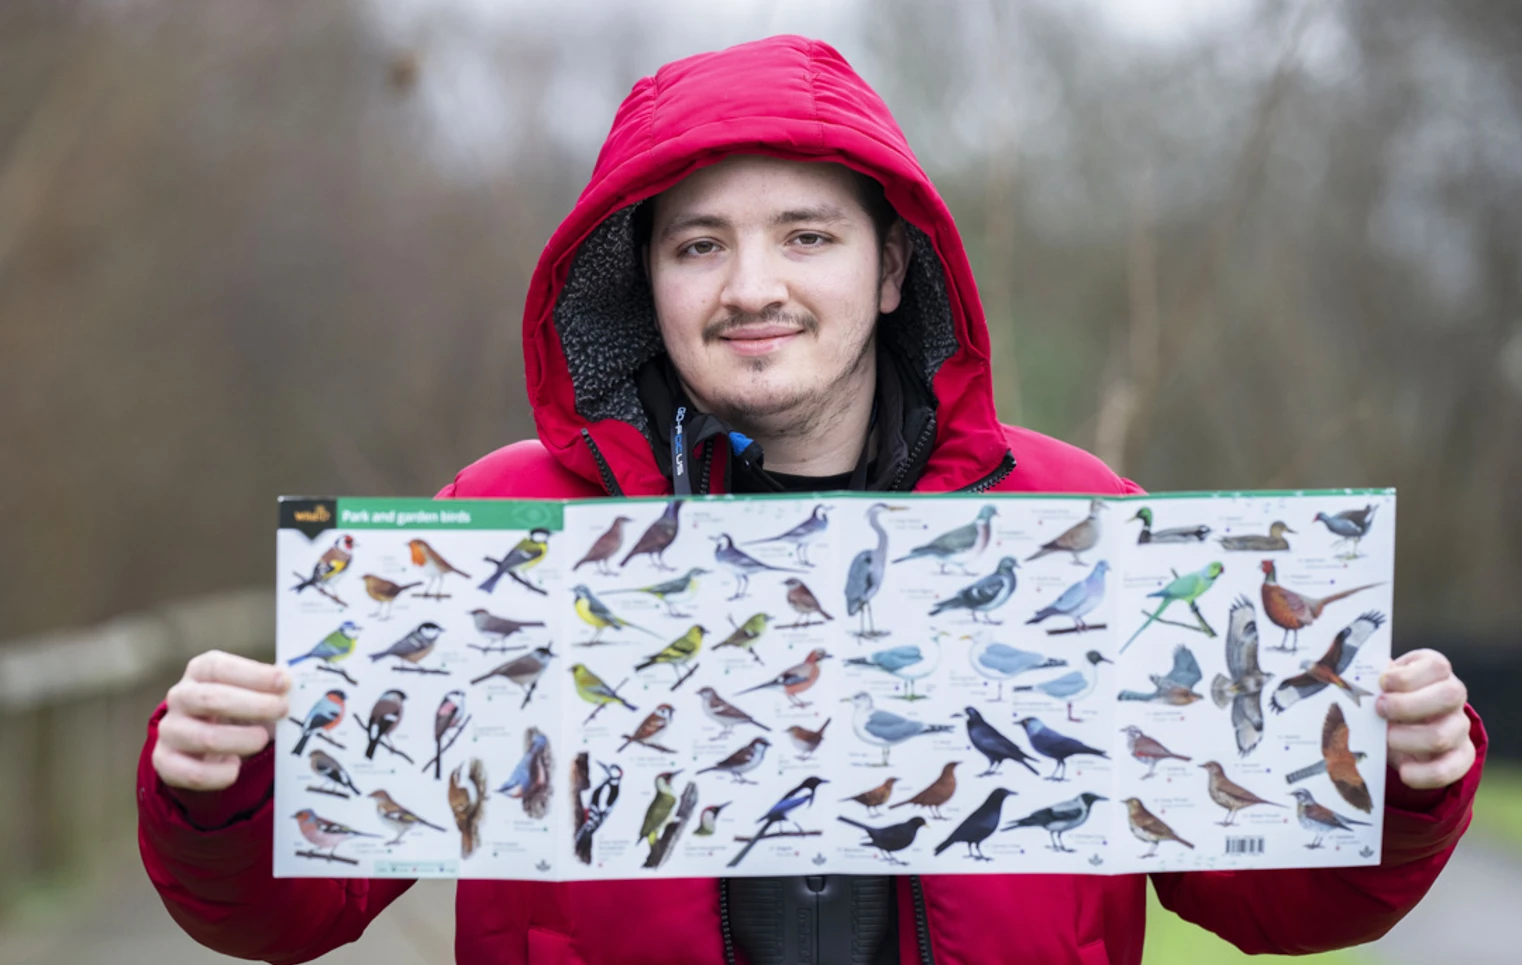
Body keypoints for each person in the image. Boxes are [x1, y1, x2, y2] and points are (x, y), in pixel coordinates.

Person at [140, 35, 1485, 965]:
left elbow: (1272, 896)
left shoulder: (1072, 523)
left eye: (806, 236)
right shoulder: (509, 531)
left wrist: (1398, 783)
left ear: (893, 269)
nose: (752, 287)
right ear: (639, 280)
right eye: (699, 244)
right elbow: (289, 915)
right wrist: (224, 794)